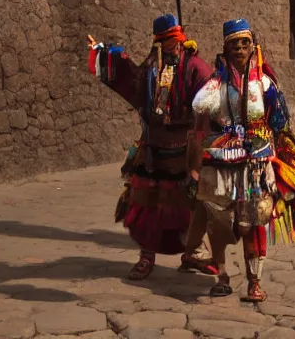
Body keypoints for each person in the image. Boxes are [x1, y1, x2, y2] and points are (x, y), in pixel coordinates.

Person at [186, 19, 295, 301]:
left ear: (253, 45)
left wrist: (283, 157)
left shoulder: (265, 84)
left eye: (245, 43)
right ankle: (222, 276)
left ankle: (254, 281)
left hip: (256, 163)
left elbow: (279, 121)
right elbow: (198, 108)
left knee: (255, 221)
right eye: (234, 44)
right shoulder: (216, 84)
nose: (240, 49)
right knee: (217, 222)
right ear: (226, 48)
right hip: (221, 161)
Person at [87, 14, 215, 280]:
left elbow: (212, 100)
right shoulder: (150, 70)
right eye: (167, 42)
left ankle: (193, 253)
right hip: (153, 148)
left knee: (191, 203)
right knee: (148, 204)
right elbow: (131, 83)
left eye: (175, 41)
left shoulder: (196, 68)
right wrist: (105, 56)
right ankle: (147, 256)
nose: (173, 47)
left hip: (187, 149)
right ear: (158, 43)